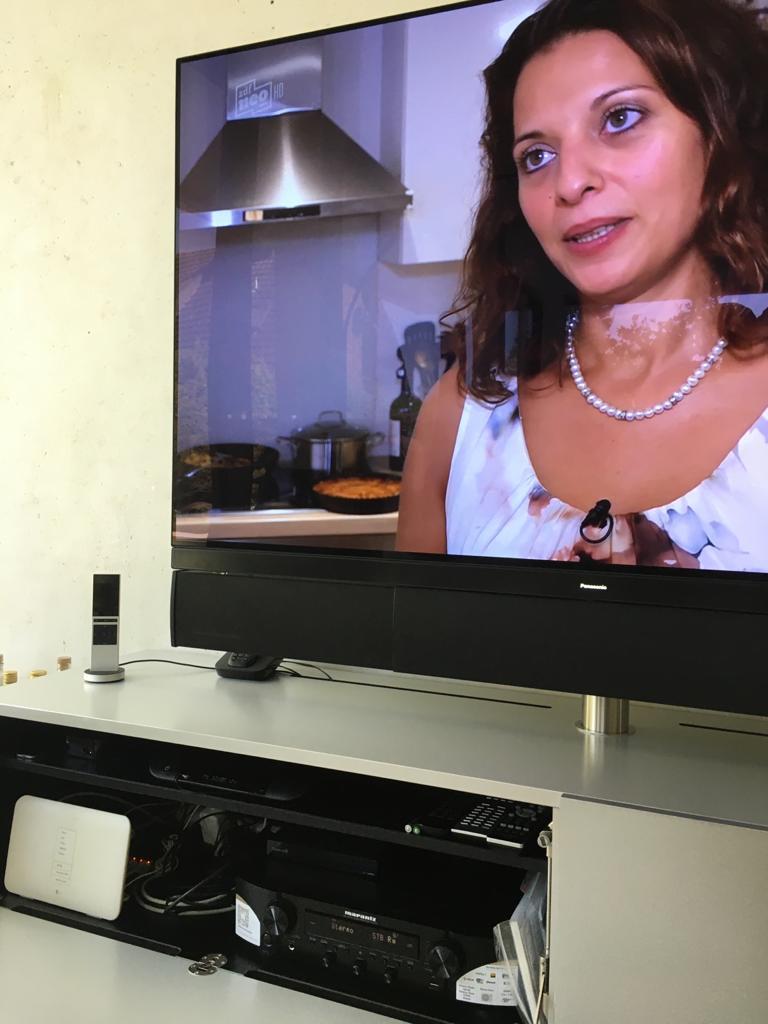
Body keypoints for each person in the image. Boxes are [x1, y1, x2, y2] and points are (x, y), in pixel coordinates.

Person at [396, 0, 768, 571]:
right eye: (537, 156)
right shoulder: (462, 413)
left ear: (718, 133)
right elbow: (414, 630)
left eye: (620, 118)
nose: (569, 182)